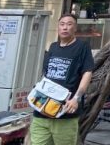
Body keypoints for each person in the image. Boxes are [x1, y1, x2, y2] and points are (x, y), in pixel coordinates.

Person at [30, 14, 94, 145]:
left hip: (65, 112)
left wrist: (76, 98)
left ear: (75, 28)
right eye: (62, 24)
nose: (65, 27)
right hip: (42, 109)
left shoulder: (82, 47)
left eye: (69, 24)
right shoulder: (53, 47)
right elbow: (46, 75)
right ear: (58, 27)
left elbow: (87, 73)